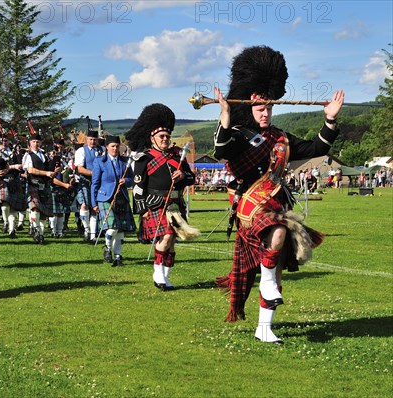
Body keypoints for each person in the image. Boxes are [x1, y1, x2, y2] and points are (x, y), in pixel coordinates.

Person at [212, 46, 344, 343]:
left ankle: (264, 329)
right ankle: (268, 282)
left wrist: (330, 120)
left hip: (276, 201)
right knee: (279, 230)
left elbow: (317, 149)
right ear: (249, 107)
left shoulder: (281, 137)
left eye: (270, 108)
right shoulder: (239, 134)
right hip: (251, 205)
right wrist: (224, 114)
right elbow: (222, 151)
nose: (266, 113)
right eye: (260, 109)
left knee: (278, 264)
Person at [125, 104, 199, 290]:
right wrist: (142, 210)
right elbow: (138, 186)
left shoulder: (177, 156)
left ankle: (166, 278)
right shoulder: (144, 158)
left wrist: (182, 176)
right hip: (155, 203)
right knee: (165, 238)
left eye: (167, 136)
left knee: (172, 241)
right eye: (161, 136)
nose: (165, 139)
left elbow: (192, 178)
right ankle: (157, 272)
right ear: (153, 138)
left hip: (175, 204)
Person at [91, 135, 136, 266]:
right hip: (105, 197)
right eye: (112, 146)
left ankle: (117, 256)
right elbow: (95, 183)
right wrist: (93, 203)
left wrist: (126, 181)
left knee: (120, 230)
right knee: (112, 228)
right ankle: (107, 248)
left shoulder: (125, 161)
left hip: (121, 197)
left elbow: (132, 179)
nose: (115, 148)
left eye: (117, 146)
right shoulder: (100, 161)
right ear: (107, 147)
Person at [22, 133, 58, 244]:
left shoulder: (45, 155)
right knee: (35, 208)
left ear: (40, 143)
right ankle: (36, 230)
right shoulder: (28, 155)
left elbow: (51, 168)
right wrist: (46, 173)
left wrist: (55, 171)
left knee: (44, 213)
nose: (36, 144)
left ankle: (41, 235)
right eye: (33, 142)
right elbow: (30, 170)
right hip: (33, 184)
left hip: (45, 185)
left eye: (38, 142)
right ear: (30, 143)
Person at [74, 127, 104, 242]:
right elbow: (80, 169)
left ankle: (92, 235)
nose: (93, 142)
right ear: (87, 139)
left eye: (95, 139)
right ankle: (86, 229)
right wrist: (94, 173)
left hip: (98, 184)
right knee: (84, 205)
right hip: (85, 182)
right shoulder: (81, 151)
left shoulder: (102, 150)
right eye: (91, 139)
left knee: (94, 208)